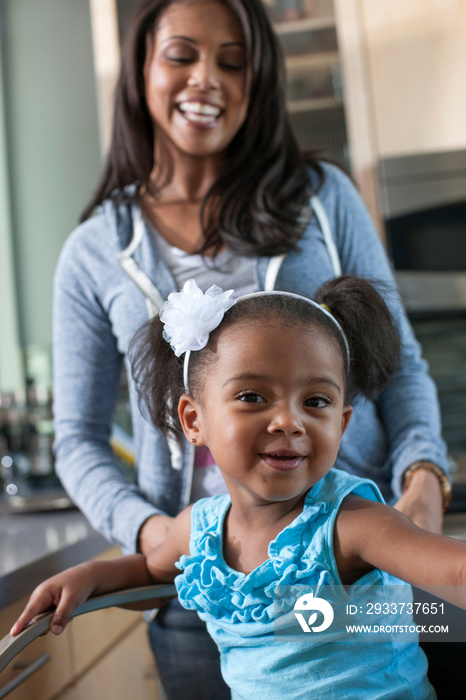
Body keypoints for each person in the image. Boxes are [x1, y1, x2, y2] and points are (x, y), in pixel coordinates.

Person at [51, 0, 450, 696]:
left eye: (233, 63)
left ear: (258, 82)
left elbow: (399, 365)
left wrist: (423, 482)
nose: (207, 79)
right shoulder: (94, 252)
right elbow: (77, 438)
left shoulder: (321, 197)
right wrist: (148, 535)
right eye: (183, 55)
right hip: (201, 590)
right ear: (142, 66)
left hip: (349, 567)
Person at [14, 278, 466, 699]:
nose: (290, 421)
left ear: (342, 423)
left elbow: (455, 572)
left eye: (316, 401)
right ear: (194, 421)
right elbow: (153, 575)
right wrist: (88, 576)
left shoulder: (354, 524)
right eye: (252, 396)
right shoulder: (198, 528)